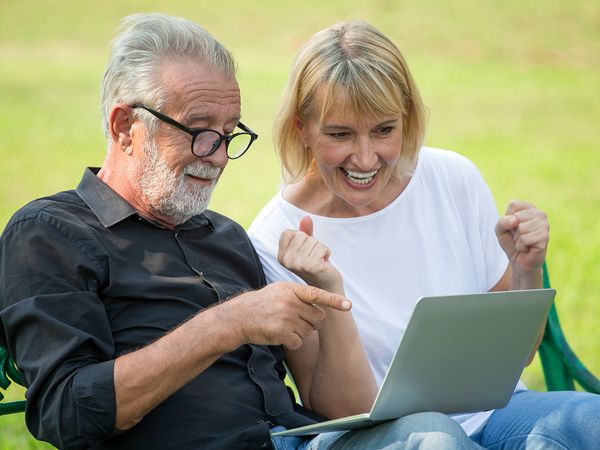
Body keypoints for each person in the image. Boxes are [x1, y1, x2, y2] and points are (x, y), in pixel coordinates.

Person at [0, 13, 484, 450]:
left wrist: (327, 291)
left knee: (431, 435)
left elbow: (327, 403)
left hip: (296, 440)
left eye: (230, 133)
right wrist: (224, 324)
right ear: (126, 126)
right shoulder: (49, 233)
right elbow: (66, 413)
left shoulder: (226, 237)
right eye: (199, 130)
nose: (217, 155)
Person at [248, 20, 600, 449]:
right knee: (440, 441)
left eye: (384, 130)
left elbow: (512, 360)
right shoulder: (274, 239)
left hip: (492, 415)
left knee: (590, 419)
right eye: (340, 134)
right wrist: (329, 291)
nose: (365, 157)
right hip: (376, 438)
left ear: (407, 118)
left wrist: (524, 271)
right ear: (302, 129)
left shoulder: (452, 178)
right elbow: (341, 412)